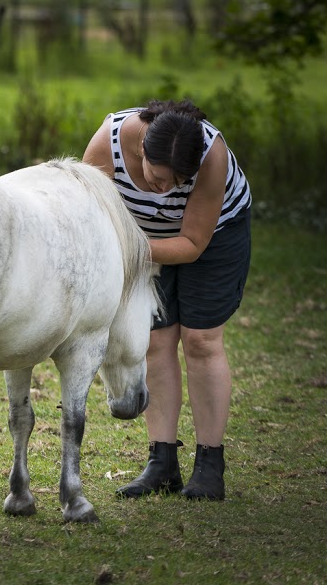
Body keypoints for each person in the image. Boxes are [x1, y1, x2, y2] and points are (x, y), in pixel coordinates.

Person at [82, 99, 251, 500]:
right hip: (139, 237)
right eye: (158, 178)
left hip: (212, 237)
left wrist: (125, 249)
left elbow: (192, 244)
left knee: (201, 341)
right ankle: (162, 463)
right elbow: (88, 215)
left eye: (177, 183)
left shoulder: (212, 156)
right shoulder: (108, 143)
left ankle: (210, 464)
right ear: (141, 150)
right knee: (155, 341)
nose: (165, 189)